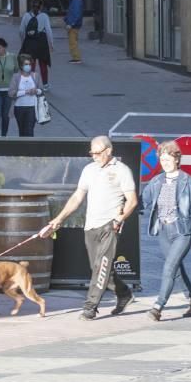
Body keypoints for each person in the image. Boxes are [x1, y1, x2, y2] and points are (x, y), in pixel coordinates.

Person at [39, 136, 138, 321]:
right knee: (98, 268)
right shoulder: (89, 170)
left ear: (108, 151)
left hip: (110, 225)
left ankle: (90, 308)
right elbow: (78, 197)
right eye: (92, 153)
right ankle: (124, 294)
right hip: (90, 225)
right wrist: (59, 219)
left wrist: (119, 218)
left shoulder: (122, 171)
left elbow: (132, 201)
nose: (94, 156)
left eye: (98, 153)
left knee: (101, 267)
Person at [141, 141, 191, 322]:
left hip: (182, 231)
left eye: (168, 159)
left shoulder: (187, 180)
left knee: (169, 267)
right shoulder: (156, 181)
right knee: (175, 269)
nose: (164, 163)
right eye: (162, 159)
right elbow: (143, 200)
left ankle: (158, 306)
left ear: (177, 159)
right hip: (163, 231)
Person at [18, 0, 54, 90]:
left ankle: (32, 84)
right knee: (43, 64)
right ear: (41, 6)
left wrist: (23, 41)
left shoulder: (26, 16)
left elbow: (21, 30)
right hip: (42, 41)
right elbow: (49, 31)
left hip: (30, 42)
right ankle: (45, 84)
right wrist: (51, 44)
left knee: (31, 64)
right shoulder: (44, 16)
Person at [8, 55, 43, 137]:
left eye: (29, 64)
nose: (28, 66)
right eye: (26, 64)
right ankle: (22, 148)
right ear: (21, 65)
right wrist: (25, 92)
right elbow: (11, 93)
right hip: (19, 107)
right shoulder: (16, 77)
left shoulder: (35, 76)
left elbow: (41, 90)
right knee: (22, 131)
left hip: (32, 107)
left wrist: (36, 91)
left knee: (30, 130)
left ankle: (30, 149)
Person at [63, 0, 83, 64]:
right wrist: (66, 19)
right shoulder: (74, 0)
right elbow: (71, 13)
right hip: (73, 24)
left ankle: (76, 58)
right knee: (73, 41)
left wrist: (71, 24)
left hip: (74, 25)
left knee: (72, 42)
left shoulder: (76, 1)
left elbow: (77, 14)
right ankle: (76, 57)